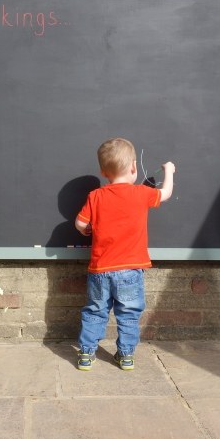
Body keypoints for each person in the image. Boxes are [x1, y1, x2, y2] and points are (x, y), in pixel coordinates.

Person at [74, 137, 175, 371]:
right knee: (128, 313)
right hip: (130, 269)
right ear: (133, 167)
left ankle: (86, 354)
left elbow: (80, 223)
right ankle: (126, 356)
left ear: (103, 171)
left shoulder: (96, 196)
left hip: (101, 269)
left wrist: (88, 229)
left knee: (95, 311)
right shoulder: (141, 193)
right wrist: (168, 170)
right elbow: (166, 193)